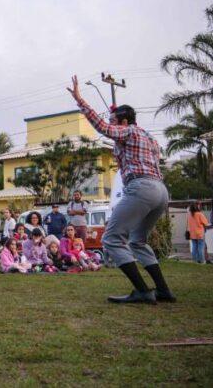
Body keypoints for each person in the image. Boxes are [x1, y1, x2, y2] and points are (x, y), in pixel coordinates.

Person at [69, 75, 174, 304]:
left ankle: (143, 291)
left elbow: (104, 128)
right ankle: (164, 290)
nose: (112, 123)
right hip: (160, 191)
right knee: (137, 240)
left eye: (114, 119)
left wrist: (80, 101)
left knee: (111, 239)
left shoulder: (128, 131)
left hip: (141, 187)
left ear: (124, 121)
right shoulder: (149, 137)